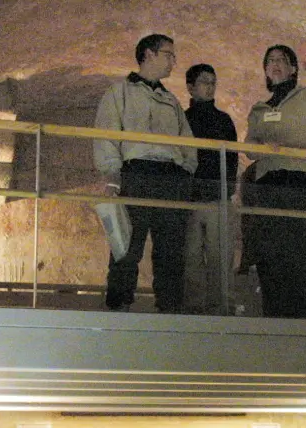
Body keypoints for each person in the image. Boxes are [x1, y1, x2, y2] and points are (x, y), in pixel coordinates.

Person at [93, 34, 196, 312]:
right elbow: (106, 133)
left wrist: (185, 171)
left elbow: (187, 141)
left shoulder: (171, 100)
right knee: (127, 244)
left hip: (171, 177)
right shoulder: (119, 92)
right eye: (168, 54)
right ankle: (119, 306)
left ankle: (169, 307)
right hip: (136, 173)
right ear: (148, 54)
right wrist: (112, 175)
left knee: (171, 248)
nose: (173, 61)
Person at [244, 44, 306, 318]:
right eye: (270, 60)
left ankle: (301, 313)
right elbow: (249, 148)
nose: (275, 64)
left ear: (292, 68)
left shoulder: (304, 96)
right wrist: (262, 147)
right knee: (269, 247)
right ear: (265, 70)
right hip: (267, 182)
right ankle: (274, 311)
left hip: (297, 179)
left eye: (281, 60)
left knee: (297, 244)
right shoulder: (258, 109)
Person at [182, 63, 239, 315]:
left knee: (220, 256)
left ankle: (221, 308)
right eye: (205, 81)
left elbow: (232, 158)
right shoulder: (183, 119)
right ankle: (195, 307)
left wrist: (227, 190)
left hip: (216, 196)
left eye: (213, 82)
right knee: (191, 255)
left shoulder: (223, 120)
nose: (210, 86)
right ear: (190, 87)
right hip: (191, 197)